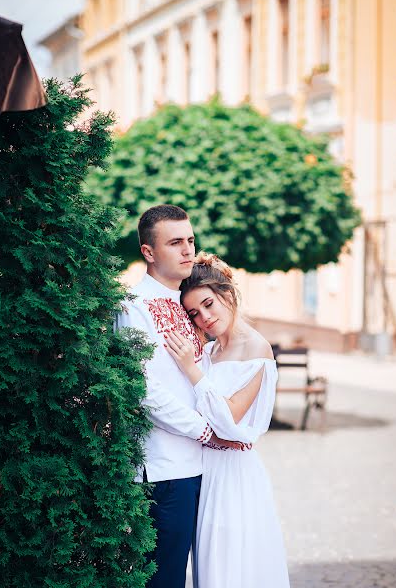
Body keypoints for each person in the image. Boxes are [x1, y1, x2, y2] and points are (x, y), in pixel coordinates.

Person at [113, 205, 239, 588]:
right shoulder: (133, 307)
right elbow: (145, 391)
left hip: (202, 467)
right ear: (149, 252)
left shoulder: (189, 304)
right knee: (164, 578)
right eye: (174, 243)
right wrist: (206, 432)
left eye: (190, 240)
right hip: (164, 468)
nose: (188, 250)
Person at [164, 251, 290, 588]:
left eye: (208, 304)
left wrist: (191, 371)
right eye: (194, 312)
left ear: (227, 295)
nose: (203, 317)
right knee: (208, 564)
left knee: (232, 564)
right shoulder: (209, 351)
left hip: (234, 473)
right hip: (205, 469)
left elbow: (229, 420)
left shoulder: (257, 349)